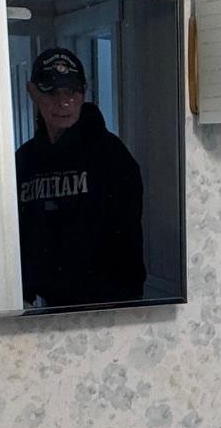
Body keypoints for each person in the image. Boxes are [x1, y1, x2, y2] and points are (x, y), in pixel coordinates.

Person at [14, 48, 147, 308]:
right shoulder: (24, 160)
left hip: (108, 304)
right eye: (51, 92)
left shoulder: (111, 155)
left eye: (71, 92)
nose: (63, 103)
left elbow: (127, 236)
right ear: (32, 92)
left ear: (83, 92)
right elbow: (19, 233)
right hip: (46, 306)